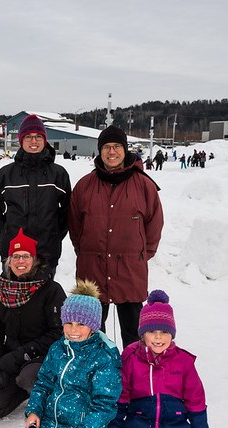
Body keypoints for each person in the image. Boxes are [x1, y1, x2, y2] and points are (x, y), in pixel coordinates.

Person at [19, 279, 121, 428]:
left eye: (81, 324)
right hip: (52, 425)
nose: (73, 330)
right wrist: (34, 411)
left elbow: (105, 406)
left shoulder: (103, 357)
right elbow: (44, 383)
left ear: (93, 326)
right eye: (69, 323)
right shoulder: (58, 349)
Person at [67, 125, 163, 348]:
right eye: (107, 147)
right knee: (91, 334)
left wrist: (139, 256)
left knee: (134, 336)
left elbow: (154, 226)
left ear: (125, 150)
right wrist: (84, 251)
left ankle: (133, 376)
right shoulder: (84, 186)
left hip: (130, 271)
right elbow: (74, 225)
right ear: (100, 151)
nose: (112, 152)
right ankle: (95, 377)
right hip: (92, 270)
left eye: (117, 146)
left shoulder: (144, 185)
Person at [102, 290, 210, 428]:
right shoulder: (130, 358)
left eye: (165, 332)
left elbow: (196, 401)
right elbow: (121, 398)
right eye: (152, 331)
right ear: (142, 334)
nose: (158, 338)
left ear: (172, 333)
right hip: (139, 427)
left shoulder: (183, 361)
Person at [0, 228, 66, 418]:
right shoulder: (0, 293)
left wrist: (20, 356)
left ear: (35, 259)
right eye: (16, 256)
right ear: (9, 261)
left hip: (41, 358)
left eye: (26, 256)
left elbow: (57, 334)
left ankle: (41, 396)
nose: (20, 261)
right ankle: (19, 389)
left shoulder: (51, 290)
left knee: (29, 376)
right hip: (12, 357)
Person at [0, 114, 71, 271]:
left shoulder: (58, 174)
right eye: (29, 137)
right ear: (21, 140)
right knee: (13, 296)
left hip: (46, 253)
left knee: (44, 295)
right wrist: (7, 239)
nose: (34, 141)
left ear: (44, 140)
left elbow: (67, 213)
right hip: (14, 255)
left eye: (38, 136)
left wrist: (53, 237)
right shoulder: (5, 175)